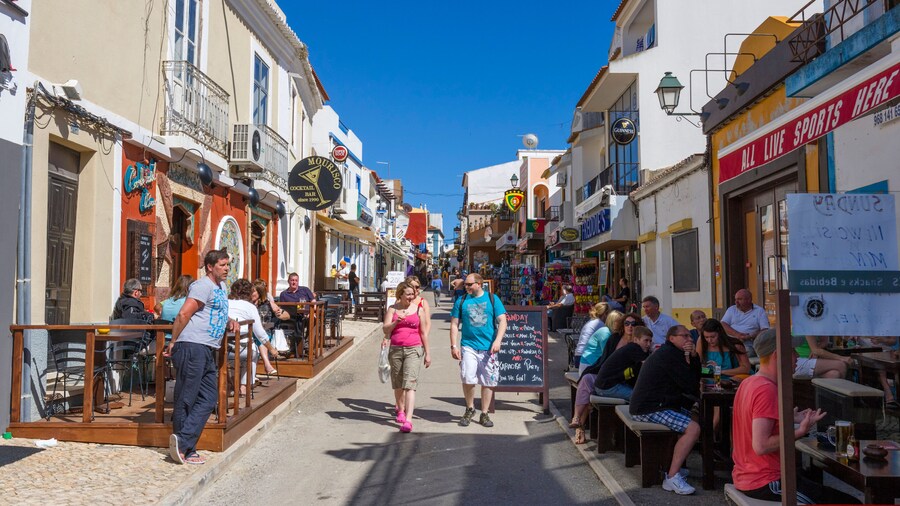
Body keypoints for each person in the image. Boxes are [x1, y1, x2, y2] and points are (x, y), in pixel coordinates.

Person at [731, 329, 859, 504]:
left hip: (750, 476)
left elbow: (753, 424)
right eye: (792, 351)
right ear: (778, 355)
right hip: (766, 481)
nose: (798, 356)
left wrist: (790, 418)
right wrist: (800, 431)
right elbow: (761, 446)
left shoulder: (749, 382)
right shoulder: (766, 389)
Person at [166, 249, 236, 466]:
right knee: (187, 398)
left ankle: (183, 442)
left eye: (227, 265)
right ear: (210, 267)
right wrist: (172, 341)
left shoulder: (221, 287)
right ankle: (185, 448)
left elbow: (214, 311)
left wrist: (229, 320)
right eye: (222, 265)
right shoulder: (202, 285)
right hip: (192, 346)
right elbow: (184, 314)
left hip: (207, 348)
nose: (226, 269)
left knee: (208, 398)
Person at [630, 325, 702, 495]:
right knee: (693, 429)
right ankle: (671, 477)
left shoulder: (671, 353)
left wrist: (693, 356)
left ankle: (673, 465)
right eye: (684, 336)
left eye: (690, 337)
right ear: (672, 338)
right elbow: (690, 384)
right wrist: (693, 358)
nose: (690, 340)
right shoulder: (669, 355)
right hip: (648, 408)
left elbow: (691, 379)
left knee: (696, 418)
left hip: (658, 404)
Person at [450, 273, 507, 428]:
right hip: (468, 346)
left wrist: (498, 341)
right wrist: (454, 346)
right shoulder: (461, 301)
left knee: (488, 381)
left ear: (479, 284)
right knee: (467, 377)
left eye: (469, 284)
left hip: (489, 347)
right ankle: (470, 408)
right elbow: (454, 324)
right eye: (465, 284)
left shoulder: (492, 299)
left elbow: (503, 321)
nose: (466, 287)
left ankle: (484, 412)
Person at [382, 281, 431, 433]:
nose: (411, 296)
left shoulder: (419, 310)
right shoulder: (392, 309)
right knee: (398, 384)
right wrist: (396, 321)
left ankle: (408, 420)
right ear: (400, 294)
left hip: (414, 349)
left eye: (413, 294)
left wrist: (427, 353)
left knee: (410, 385)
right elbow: (385, 329)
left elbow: (423, 333)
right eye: (408, 294)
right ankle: (401, 409)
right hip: (395, 349)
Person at [570, 311, 624, 443]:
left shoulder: (608, 332)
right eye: (621, 322)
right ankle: (580, 427)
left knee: (588, 390)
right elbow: (610, 357)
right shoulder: (606, 334)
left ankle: (579, 424)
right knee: (589, 392)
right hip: (591, 365)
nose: (623, 325)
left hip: (593, 365)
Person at [227, 279, 278, 393]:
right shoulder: (250, 307)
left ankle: (230, 383)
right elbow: (260, 333)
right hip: (242, 348)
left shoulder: (225, 303)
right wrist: (271, 349)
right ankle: (244, 386)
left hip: (224, 348)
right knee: (253, 353)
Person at [593, 326, 653, 401]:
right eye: (646, 340)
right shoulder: (634, 348)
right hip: (607, 387)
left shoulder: (634, 349)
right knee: (641, 398)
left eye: (650, 341)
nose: (648, 344)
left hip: (606, 385)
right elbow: (650, 368)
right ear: (636, 340)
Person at [721, 289, 769, 357]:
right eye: (735, 299)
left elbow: (765, 330)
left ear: (749, 300)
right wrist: (737, 335)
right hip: (731, 341)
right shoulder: (732, 309)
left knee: (746, 352)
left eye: (739, 299)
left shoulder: (759, 311)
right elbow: (723, 324)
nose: (736, 302)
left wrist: (750, 336)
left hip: (749, 342)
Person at [573, 303, 610, 368]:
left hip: (578, 355)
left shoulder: (592, 321)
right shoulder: (600, 324)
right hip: (585, 358)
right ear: (605, 314)